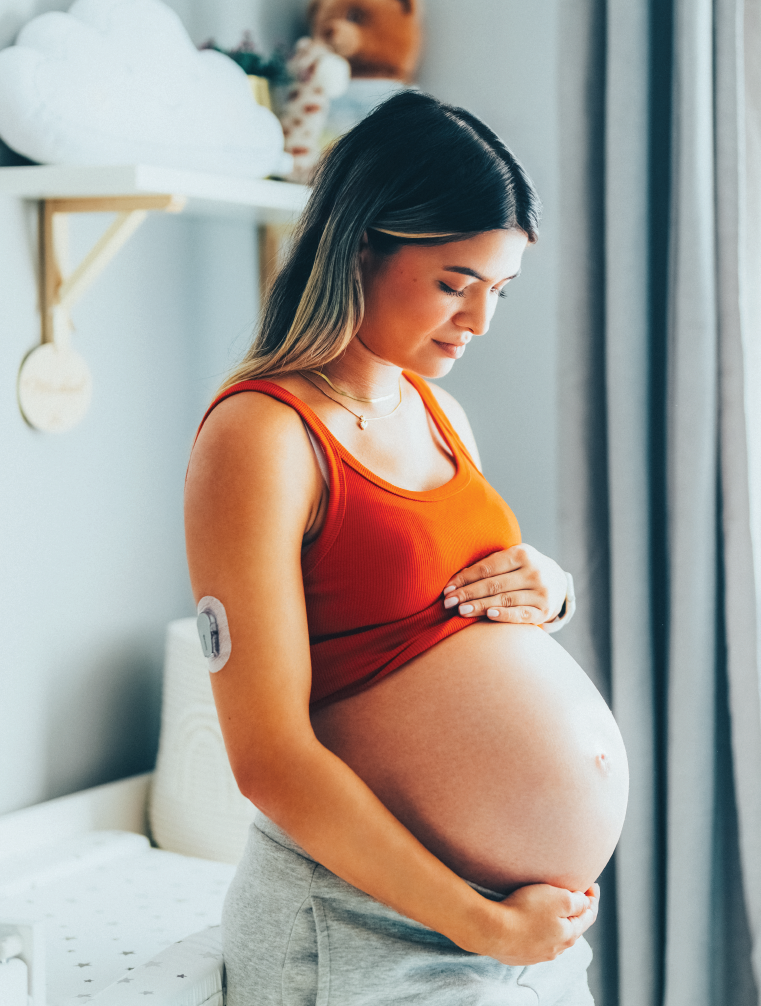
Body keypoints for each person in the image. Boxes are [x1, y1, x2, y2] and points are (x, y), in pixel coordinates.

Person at [184, 91, 628, 1005]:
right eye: (454, 283)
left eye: (498, 291)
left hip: (513, 926)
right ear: (359, 246)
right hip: (369, 926)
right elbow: (267, 758)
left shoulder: (435, 410)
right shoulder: (262, 435)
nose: (478, 322)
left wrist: (544, 589)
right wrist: (483, 923)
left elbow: (429, 602)